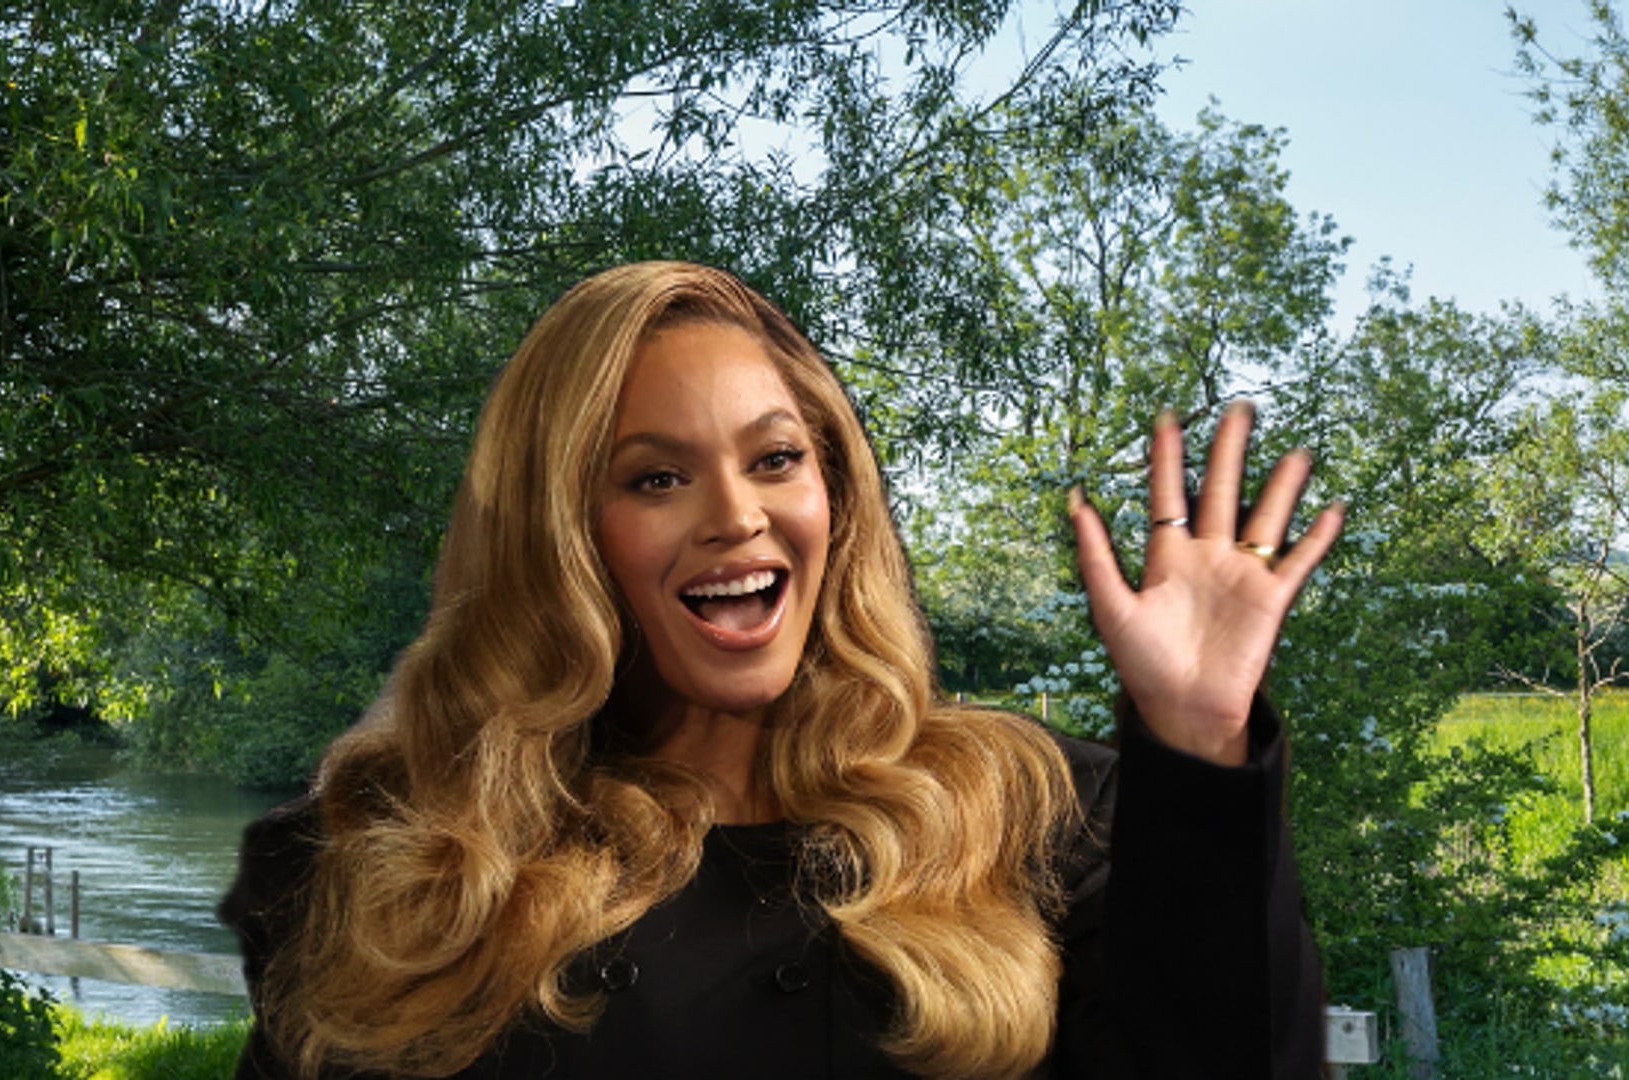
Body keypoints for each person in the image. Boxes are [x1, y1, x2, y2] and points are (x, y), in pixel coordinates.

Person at [220, 261, 1345, 1079]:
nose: (737, 516)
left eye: (775, 459)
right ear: (557, 536)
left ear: (835, 497)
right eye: (656, 479)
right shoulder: (383, 871)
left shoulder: (1043, 819)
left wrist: (1200, 745)